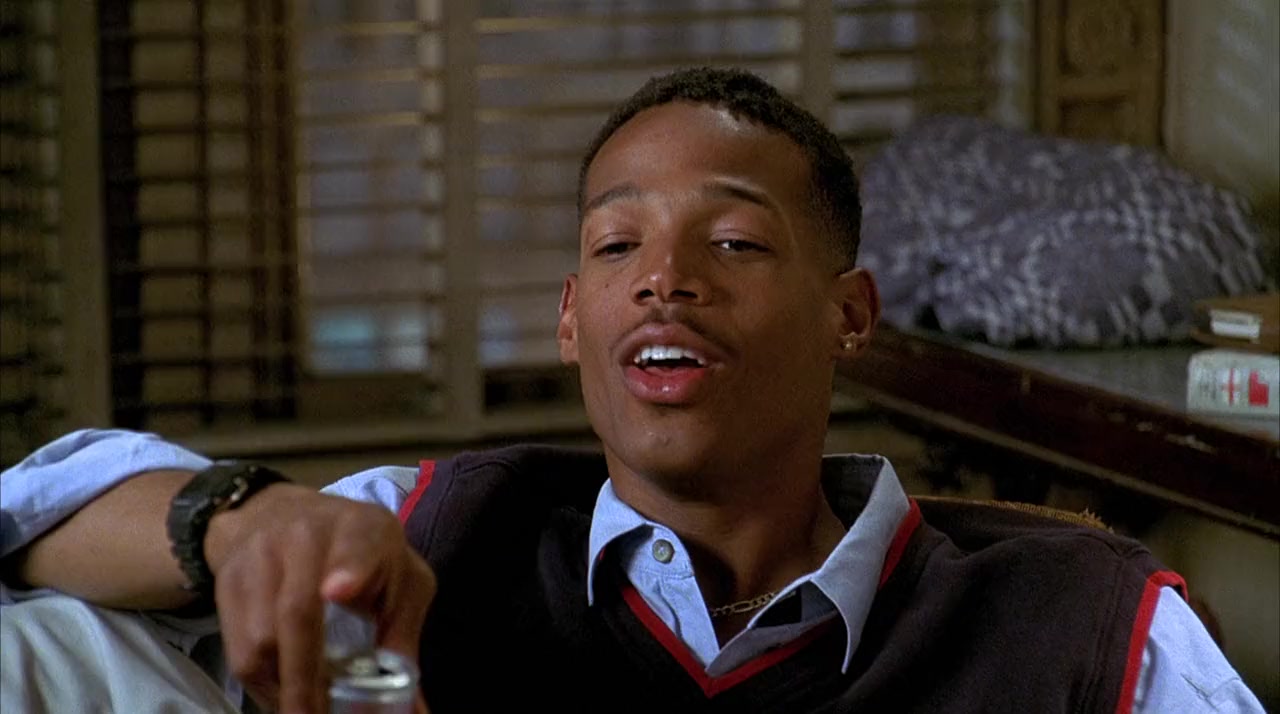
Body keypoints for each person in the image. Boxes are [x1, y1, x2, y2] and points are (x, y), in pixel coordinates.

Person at [0, 67, 1263, 713]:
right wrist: (238, 520)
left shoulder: (1081, 622)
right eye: (615, 247)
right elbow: (30, 524)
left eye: (734, 241)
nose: (662, 279)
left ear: (848, 317)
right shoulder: (433, 536)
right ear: (570, 320)